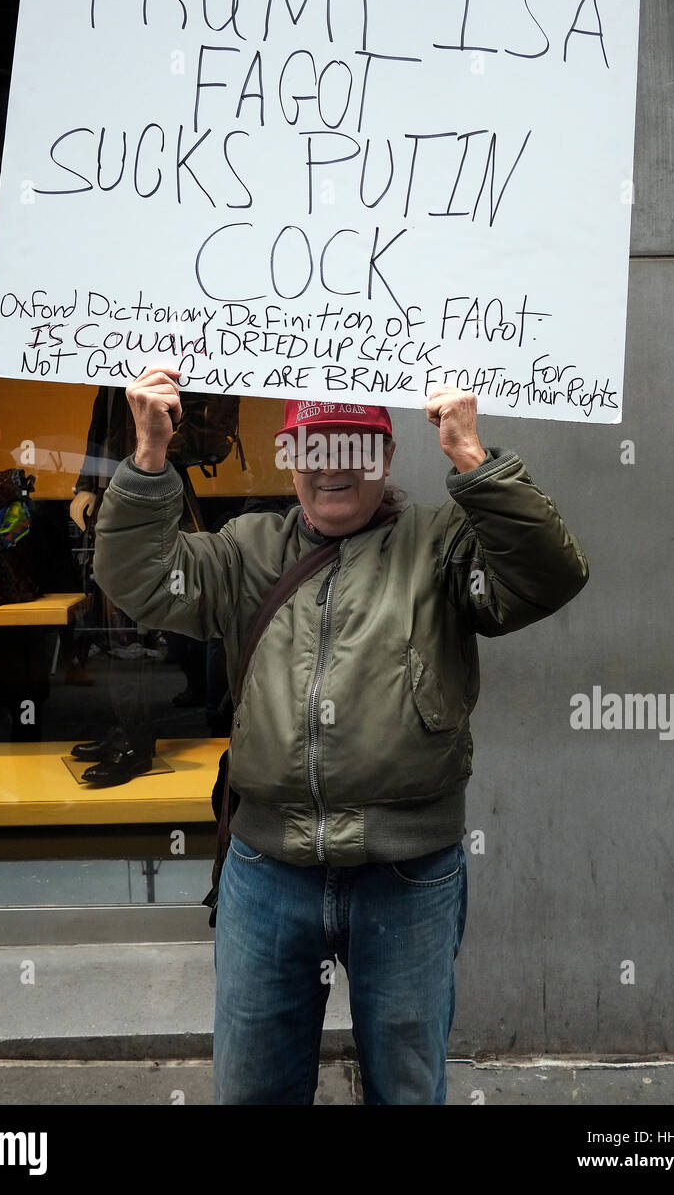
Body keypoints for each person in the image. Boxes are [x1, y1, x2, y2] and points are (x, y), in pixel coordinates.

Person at [92, 370, 590, 1105]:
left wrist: (472, 460)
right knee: (254, 1090)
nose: (331, 465)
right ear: (289, 456)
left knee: (407, 1090)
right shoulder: (247, 551)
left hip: (409, 875)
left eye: (352, 446)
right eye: (311, 446)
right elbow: (135, 576)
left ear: (384, 458)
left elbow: (548, 577)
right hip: (268, 871)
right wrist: (149, 458)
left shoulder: (440, 544)